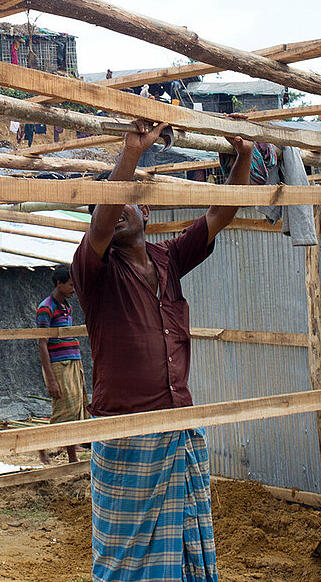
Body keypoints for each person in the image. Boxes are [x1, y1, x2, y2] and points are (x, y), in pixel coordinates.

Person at [72, 119, 252, 582]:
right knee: (123, 556)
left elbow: (220, 215)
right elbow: (102, 218)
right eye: (108, 209)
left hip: (177, 425)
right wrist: (132, 152)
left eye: (127, 203)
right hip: (126, 431)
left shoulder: (169, 258)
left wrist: (245, 157)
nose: (115, 213)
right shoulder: (94, 271)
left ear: (147, 213)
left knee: (184, 548)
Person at [36, 265, 88, 464]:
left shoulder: (67, 306)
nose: (74, 288)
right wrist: (51, 380)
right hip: (60, 365)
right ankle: (40, 445)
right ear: (59, 283)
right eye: (71, 285)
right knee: (63, 411)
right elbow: (42, 343)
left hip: (73, 361)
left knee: (74, 410)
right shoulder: (46, 307)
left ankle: (72, 457)